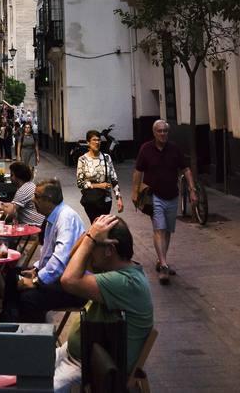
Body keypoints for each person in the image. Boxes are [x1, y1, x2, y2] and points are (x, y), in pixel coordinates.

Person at [55, 214, 154, 392]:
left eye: (94, 247)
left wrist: (91, 238)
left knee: (32, 386)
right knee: (25, 366)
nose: (89, 251)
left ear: (109, 249)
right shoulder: (113, 268)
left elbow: (68, 280)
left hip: (90, 366)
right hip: (74, 354)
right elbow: (73, 259)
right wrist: (90, 235)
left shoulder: (126, 282)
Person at [132, 119, 197, 284]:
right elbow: (138, 171)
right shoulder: (146, 149)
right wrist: (135, 192)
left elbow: (186, 169)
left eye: (165, 131)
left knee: (167, 230)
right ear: (154, 133)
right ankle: (164, 266)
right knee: (159, 229)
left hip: (172, 195)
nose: (163, 134)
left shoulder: (174, 149)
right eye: (159, 131)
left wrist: (192, 189)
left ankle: (162, 260)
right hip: (154, 196)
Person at [16, 178, 86, 322]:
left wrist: (36, 281)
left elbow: (60, 260)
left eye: (36, 196)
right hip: (60, 279)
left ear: (48, 199)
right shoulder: (53, 216)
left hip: (72, 287)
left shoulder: (66, 218)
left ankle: (38, 339)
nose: (33, 200)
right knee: (13, 276)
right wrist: (35, 270)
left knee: (27, 298)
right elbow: (48, 253)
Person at [76, 130, 124, 223]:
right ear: (88, 142)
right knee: (96, 226)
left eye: (99, 140)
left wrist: (119, 199)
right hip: (91, 200)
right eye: (94, 140)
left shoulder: (107, 157)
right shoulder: (82, 159)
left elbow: (114, 179)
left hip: (106, 200)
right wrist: (99, 185)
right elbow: (80, 183)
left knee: (104, 225)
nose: (97, 142)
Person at [0, 160, 44, 227]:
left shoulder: (23, 190)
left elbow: (10, 213)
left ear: (17, 177)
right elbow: (14, 204)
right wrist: (1, 203)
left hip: (33, 227)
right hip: (37, 225)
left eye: (12, 175)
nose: (10, 178)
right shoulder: (30, 185)